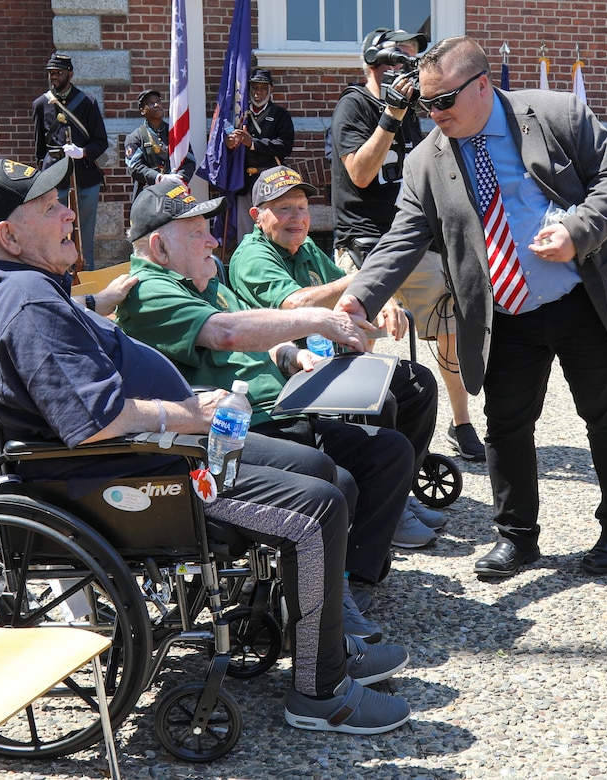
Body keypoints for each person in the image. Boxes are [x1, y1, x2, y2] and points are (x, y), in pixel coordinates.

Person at [0, 155, 412, 736]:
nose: (70, 211)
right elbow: (92, 418)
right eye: (50, 207)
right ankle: (319, 692)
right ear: (9, 235)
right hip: (131, 476)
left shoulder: (20, 288)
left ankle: (322, 635)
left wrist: (102, 309)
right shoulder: (29, 302)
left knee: (324, 472)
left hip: (148, 454)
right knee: (317, 507)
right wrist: (188, 413)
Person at [336, 36, 607, 579]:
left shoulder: (556, 114)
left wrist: (577, 231)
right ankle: (517, 537)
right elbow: (404, 236)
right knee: (505, 427)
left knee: (604, 413)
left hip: (580, 300)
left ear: (482, 85)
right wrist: (359, 296)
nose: (433, 114)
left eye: (443, 102)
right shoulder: (427, 160)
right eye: (426, 104)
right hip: (503, 313)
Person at [116, 179, 417, 637]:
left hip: (277, 407)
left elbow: (259, 341)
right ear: (159, 245)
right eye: (199, 232)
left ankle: (353, 581)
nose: (214, 240)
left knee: (390, 449)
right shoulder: (150, 289)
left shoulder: (205, 276)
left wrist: (294, 355)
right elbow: (229, 335)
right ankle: (321, 602)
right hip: (228, 430)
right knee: (336, 476)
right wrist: (321, 320)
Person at [229, 164, 447, 547]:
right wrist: (360, 281)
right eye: (283, 209)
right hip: (290, 370)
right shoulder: (253, 257)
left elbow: (350, 294)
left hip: (330, 359)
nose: (297, 218)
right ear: (257, 216)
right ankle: (380, 510)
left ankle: (398, 494)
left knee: (418, 383)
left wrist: (383, 301)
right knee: (380, 397)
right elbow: (294, 304)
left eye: (301, 207)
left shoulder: (306, 247)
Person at [330, 27, 485, 462]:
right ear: (372, 66)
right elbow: (360, 173)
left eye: (407, 66)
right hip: (363, 240)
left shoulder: (417, 110)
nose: (401, 76)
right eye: (392, 66)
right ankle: (353, 428)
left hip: (412, 240)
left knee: (449, 324)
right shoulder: (355, 105)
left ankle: (462, 422)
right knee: (358, 325)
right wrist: (389, 117)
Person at [32, 53, 108, 270]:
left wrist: (83, 152)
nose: (54, 77)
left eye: (59, 72)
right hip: (54, 177)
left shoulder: (87, 102)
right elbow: (39, 148)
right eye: (51, 73)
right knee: (54, 230)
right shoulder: (40, 104)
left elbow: (101, 141)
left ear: (70, 74)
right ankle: (57, 272)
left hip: (84, 175)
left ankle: (86, 272)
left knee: (84, 232)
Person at [224, 68, 294, 238]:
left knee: (271, 229)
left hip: (270, 180)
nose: (258, 93)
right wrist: (228, 144)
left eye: (263, 88)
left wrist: (253, 143)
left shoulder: (280, 115)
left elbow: (284, 146)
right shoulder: (239, 115)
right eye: (254, 88)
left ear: (271, 89)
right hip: (243, 182)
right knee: (245, 233)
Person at [125, 89, 197, 201]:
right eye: (151, 103)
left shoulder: (175, 134)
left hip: (175, 191)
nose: (156, 105)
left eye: (158, 101)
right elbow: (135, 167)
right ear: (143, 110)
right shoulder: (135, 137)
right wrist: (159, 178)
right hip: (148, 193)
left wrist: (179, 178)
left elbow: (189, 160)